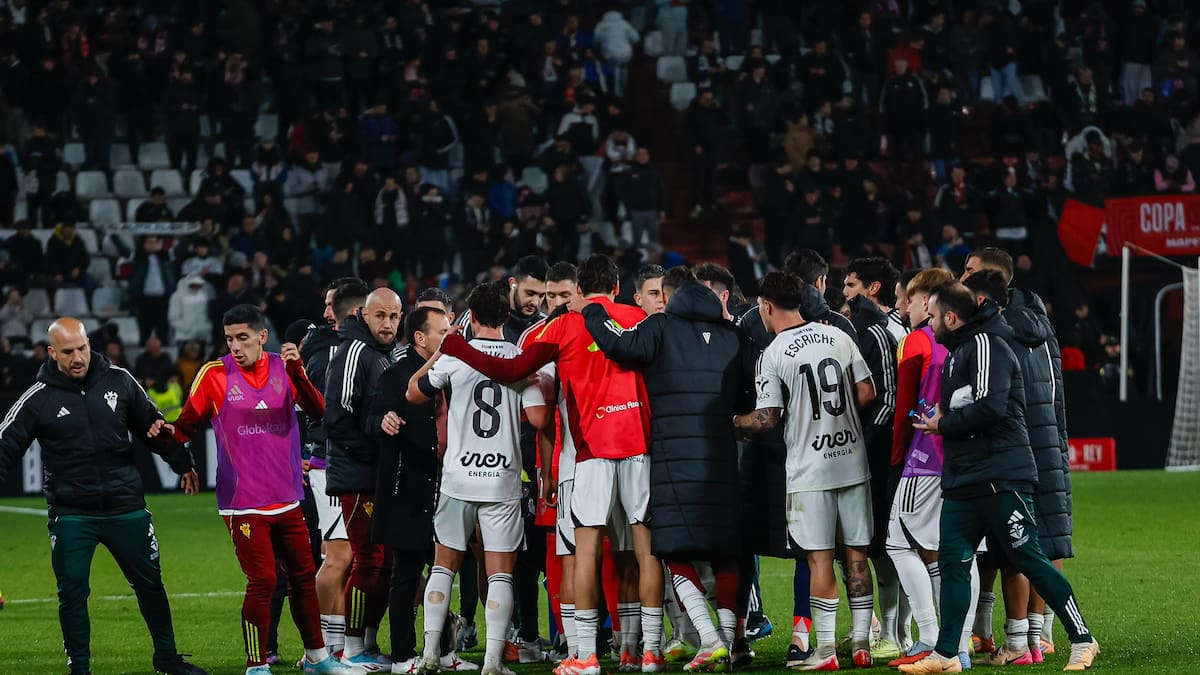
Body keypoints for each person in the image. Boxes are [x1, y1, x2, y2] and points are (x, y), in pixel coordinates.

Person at [438, 255, 660, 675]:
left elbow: (513, 369)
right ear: (615, 288)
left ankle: (585, 655)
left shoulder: (562, 326)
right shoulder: (638, 317)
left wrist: (458, 347)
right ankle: (649, 652)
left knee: (584, 551)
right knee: (644, 550)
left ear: (579, 290)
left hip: (591, 451)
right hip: (639, 447)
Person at [901, 282, 1099, 674]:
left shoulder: (987, 345)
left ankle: (1082, 638)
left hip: (1000, 478)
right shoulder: (958, 352)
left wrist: (945, 422)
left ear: (952, 318)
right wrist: (945, 420)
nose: (930, 319)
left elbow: (991, 407)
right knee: (954, 564)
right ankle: (945, 655)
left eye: (935, 314)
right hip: (964, 480)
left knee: (1029, 558)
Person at [0, 317, 206, 675]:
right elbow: (5, 445)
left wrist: (181, 462)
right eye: (68, 352)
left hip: (126, 506)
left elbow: (152, 425)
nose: (78, 357)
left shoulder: (120, 380)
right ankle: (79, 668)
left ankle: (167, 658)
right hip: (71, 514)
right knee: (73, 593)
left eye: (82, 348)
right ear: (52, 353)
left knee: (150, 583)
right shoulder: (38, 397)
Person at [578, 270, 754, 672]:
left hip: (673, 456)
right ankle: (728, 641)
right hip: (723, 458)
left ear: (672, 297)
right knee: (726, 552)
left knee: (672, 550)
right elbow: (749, 391)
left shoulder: (661, 327)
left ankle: (709, 638)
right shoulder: (733, 335)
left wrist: (593, 313)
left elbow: (621, 347)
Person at [171, 305, 353, 675]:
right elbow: (184, 427)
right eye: (229, 339)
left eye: (242, 338)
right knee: (265, 579)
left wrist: (299, 372)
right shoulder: (215, 374)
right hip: (243, 502)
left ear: (261, 337)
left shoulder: (283, 368)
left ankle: (318, 658)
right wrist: (177, 457)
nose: (235, 347)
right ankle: (257, 665)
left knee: (303, 576)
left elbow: (319, 411)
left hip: (287, 496)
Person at [733, 272, 878, 670]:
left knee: (819, 559)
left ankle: (827, 649)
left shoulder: (775, 352)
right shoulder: (838, 336)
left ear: (766, 306)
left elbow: (766, 419)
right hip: (852, 461)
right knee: (856, 556)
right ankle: (863, 644)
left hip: (810, 469)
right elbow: (867, 393)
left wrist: (732, 422)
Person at [406, 282, 551, 675]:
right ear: (507, 316)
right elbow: (539, 420)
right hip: (501, 479)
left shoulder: (455, 357)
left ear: (471, 316)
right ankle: (491, 662)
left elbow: (413, 394)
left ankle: (431, 654)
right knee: (499, 571)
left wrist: (439, 352)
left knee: (443, 567)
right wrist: (536, 387)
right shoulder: (521, 360)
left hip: (457, 477)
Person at [962, 248, 1072, 658]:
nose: (962, 276)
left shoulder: (995, 332)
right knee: (1048, 542)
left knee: (1007, 547)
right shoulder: (1041, 323)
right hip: (1048, 446)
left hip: (1012, 450)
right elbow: (1055, 389)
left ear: (990, 282)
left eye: (970, 271)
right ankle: (1039, 636)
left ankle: (1005, 635)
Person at [368, 305, 454, 673]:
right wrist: (382, 419)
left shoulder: (449, 373)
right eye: (443, 331)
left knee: (443, 571)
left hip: (444, 486)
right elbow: (372, 416)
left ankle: (445, 653)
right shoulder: (397, 375)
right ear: (420, 338)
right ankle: (402, 656)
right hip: (408, 488)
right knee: (405, 574)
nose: (450, 336)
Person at [322, 288, 403, 671]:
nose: (388, 324)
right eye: (381, 316)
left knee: (383, 564)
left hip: (377, 476)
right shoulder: (354, 353)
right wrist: (378, 454)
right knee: (368, 561)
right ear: (364, 315)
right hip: (358, 476)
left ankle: (368, 643)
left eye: (394, 316)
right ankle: (351, 649)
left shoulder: (384, 354)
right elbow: (337, 420)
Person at [886, 268, 959, 669]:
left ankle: (930, 636)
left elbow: (904, 409)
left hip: (926, 456)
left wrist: (897, 457)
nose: (903, 307)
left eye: (907, 299)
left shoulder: (916, 341)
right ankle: (958, 642)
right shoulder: (965, 339)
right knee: (949, 552)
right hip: (964, 457)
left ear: (929, 299)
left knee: (898, 541)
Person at [302, 277, 369, 657]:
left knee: (346, 556)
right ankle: (329, 651)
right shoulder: (332, 351)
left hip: (338, 462)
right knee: (339, 557)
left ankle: (336, 648)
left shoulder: (342, 347)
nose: (326, 313)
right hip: (333, 462)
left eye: (332, 306)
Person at [844, 257, 907, 341]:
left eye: (851, 285)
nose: (844, 292)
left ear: (873, 288)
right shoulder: (847, 322)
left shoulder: (901, 327)